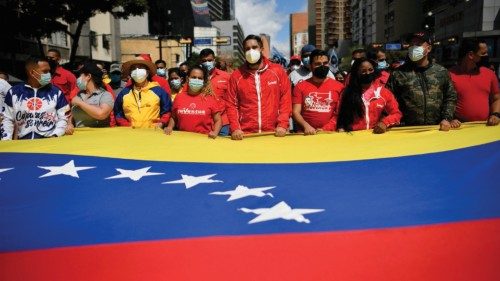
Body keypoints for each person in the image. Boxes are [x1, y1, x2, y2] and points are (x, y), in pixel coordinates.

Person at [224, 34, 292, 140]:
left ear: (261, 49)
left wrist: (282, 124)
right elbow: (231, 105)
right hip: (245, 134)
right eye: (247, 49)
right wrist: (235, 128)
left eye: (254, 47)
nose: (251, 51)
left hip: (274, 133)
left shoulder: (277, 71)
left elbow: (285, 99)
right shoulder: (237, 76)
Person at [387, 31, 458, 131]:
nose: (413, 47)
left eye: (418, 44)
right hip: (406, 130)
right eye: (411, 45)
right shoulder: (398, 73)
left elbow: (450, 97)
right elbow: (388, 100)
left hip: (437, 129)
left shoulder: (441, 72)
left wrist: (447, 118)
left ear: (428, 48)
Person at [1, 57, 69, 140]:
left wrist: (55, 135)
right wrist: (6, 141)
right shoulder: (14, 92)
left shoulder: (56, 92)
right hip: (22, 144)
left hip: (50, 144)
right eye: (45, 71)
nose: (49, 74)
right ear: (32, 73)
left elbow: (64, 118)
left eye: (49, 71)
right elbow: (7, 119)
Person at [337, 58, 402, 133]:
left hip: (374, 136)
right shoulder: (347, 93)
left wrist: (385, 123)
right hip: (353, 137)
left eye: (370, 70)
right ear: (356, 73)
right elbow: (338, 116)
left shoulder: (384, 93)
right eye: (363, 71)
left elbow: (396, 114)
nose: (367, 73)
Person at [449, 38, 500, 126]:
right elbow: (443, 102)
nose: (487, 55)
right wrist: (450, 119)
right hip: (458, 129)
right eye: (483, 53)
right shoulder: (449, 75)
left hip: (485, 127)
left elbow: (497, 98)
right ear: (471, 55)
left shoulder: (489, 74)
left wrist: (495, 114)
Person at [292, 49, 344, 135]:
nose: (322, 66)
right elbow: (295, 112)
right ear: (310, 65)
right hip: (305, 134)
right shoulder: (300, 86)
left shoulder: (339, 87)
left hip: (329, 135)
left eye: (325, 63)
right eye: (318, 64)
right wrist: (306, 126)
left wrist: (326, 129)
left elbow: (340, 113)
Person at [164, 65, 222, 138]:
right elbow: (173, 117)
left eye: (200, 78)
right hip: (182, 139)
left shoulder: (210, 99)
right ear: (188, 79)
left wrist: (215, 132)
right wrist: (170, 127)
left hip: (204, 140)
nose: (196, 80)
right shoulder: (179, 97)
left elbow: (218, 120)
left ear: (203, 81)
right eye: (194, 77)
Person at [114, 56, 171, 128]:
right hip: (131, 134)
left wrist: (161, 123)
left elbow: (167, 110)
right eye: (134, 68)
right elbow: (118, 112)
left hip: (153, 134)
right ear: (131, 73)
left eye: (141, 67)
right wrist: (126, 125)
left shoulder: (159, 91)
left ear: (147, 72)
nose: (137, 70)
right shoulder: (124, 93)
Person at [66, 62, 114, 133]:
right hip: (78, 138)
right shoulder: (79, 94)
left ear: (88, 76)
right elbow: (73, 115)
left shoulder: (105, 95)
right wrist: (69, 124)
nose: (78, 78)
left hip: (98, 138)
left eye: (80, 75)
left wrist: (80, 103)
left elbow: (101, 114)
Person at [199, 48, 230, 136]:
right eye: (204, 61)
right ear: (200, 62)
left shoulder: (226, 77)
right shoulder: (196, 78)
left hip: (223, 122)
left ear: (214, 60)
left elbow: (233, 99)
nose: (207, 63)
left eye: (209, 60)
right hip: (203, 122)